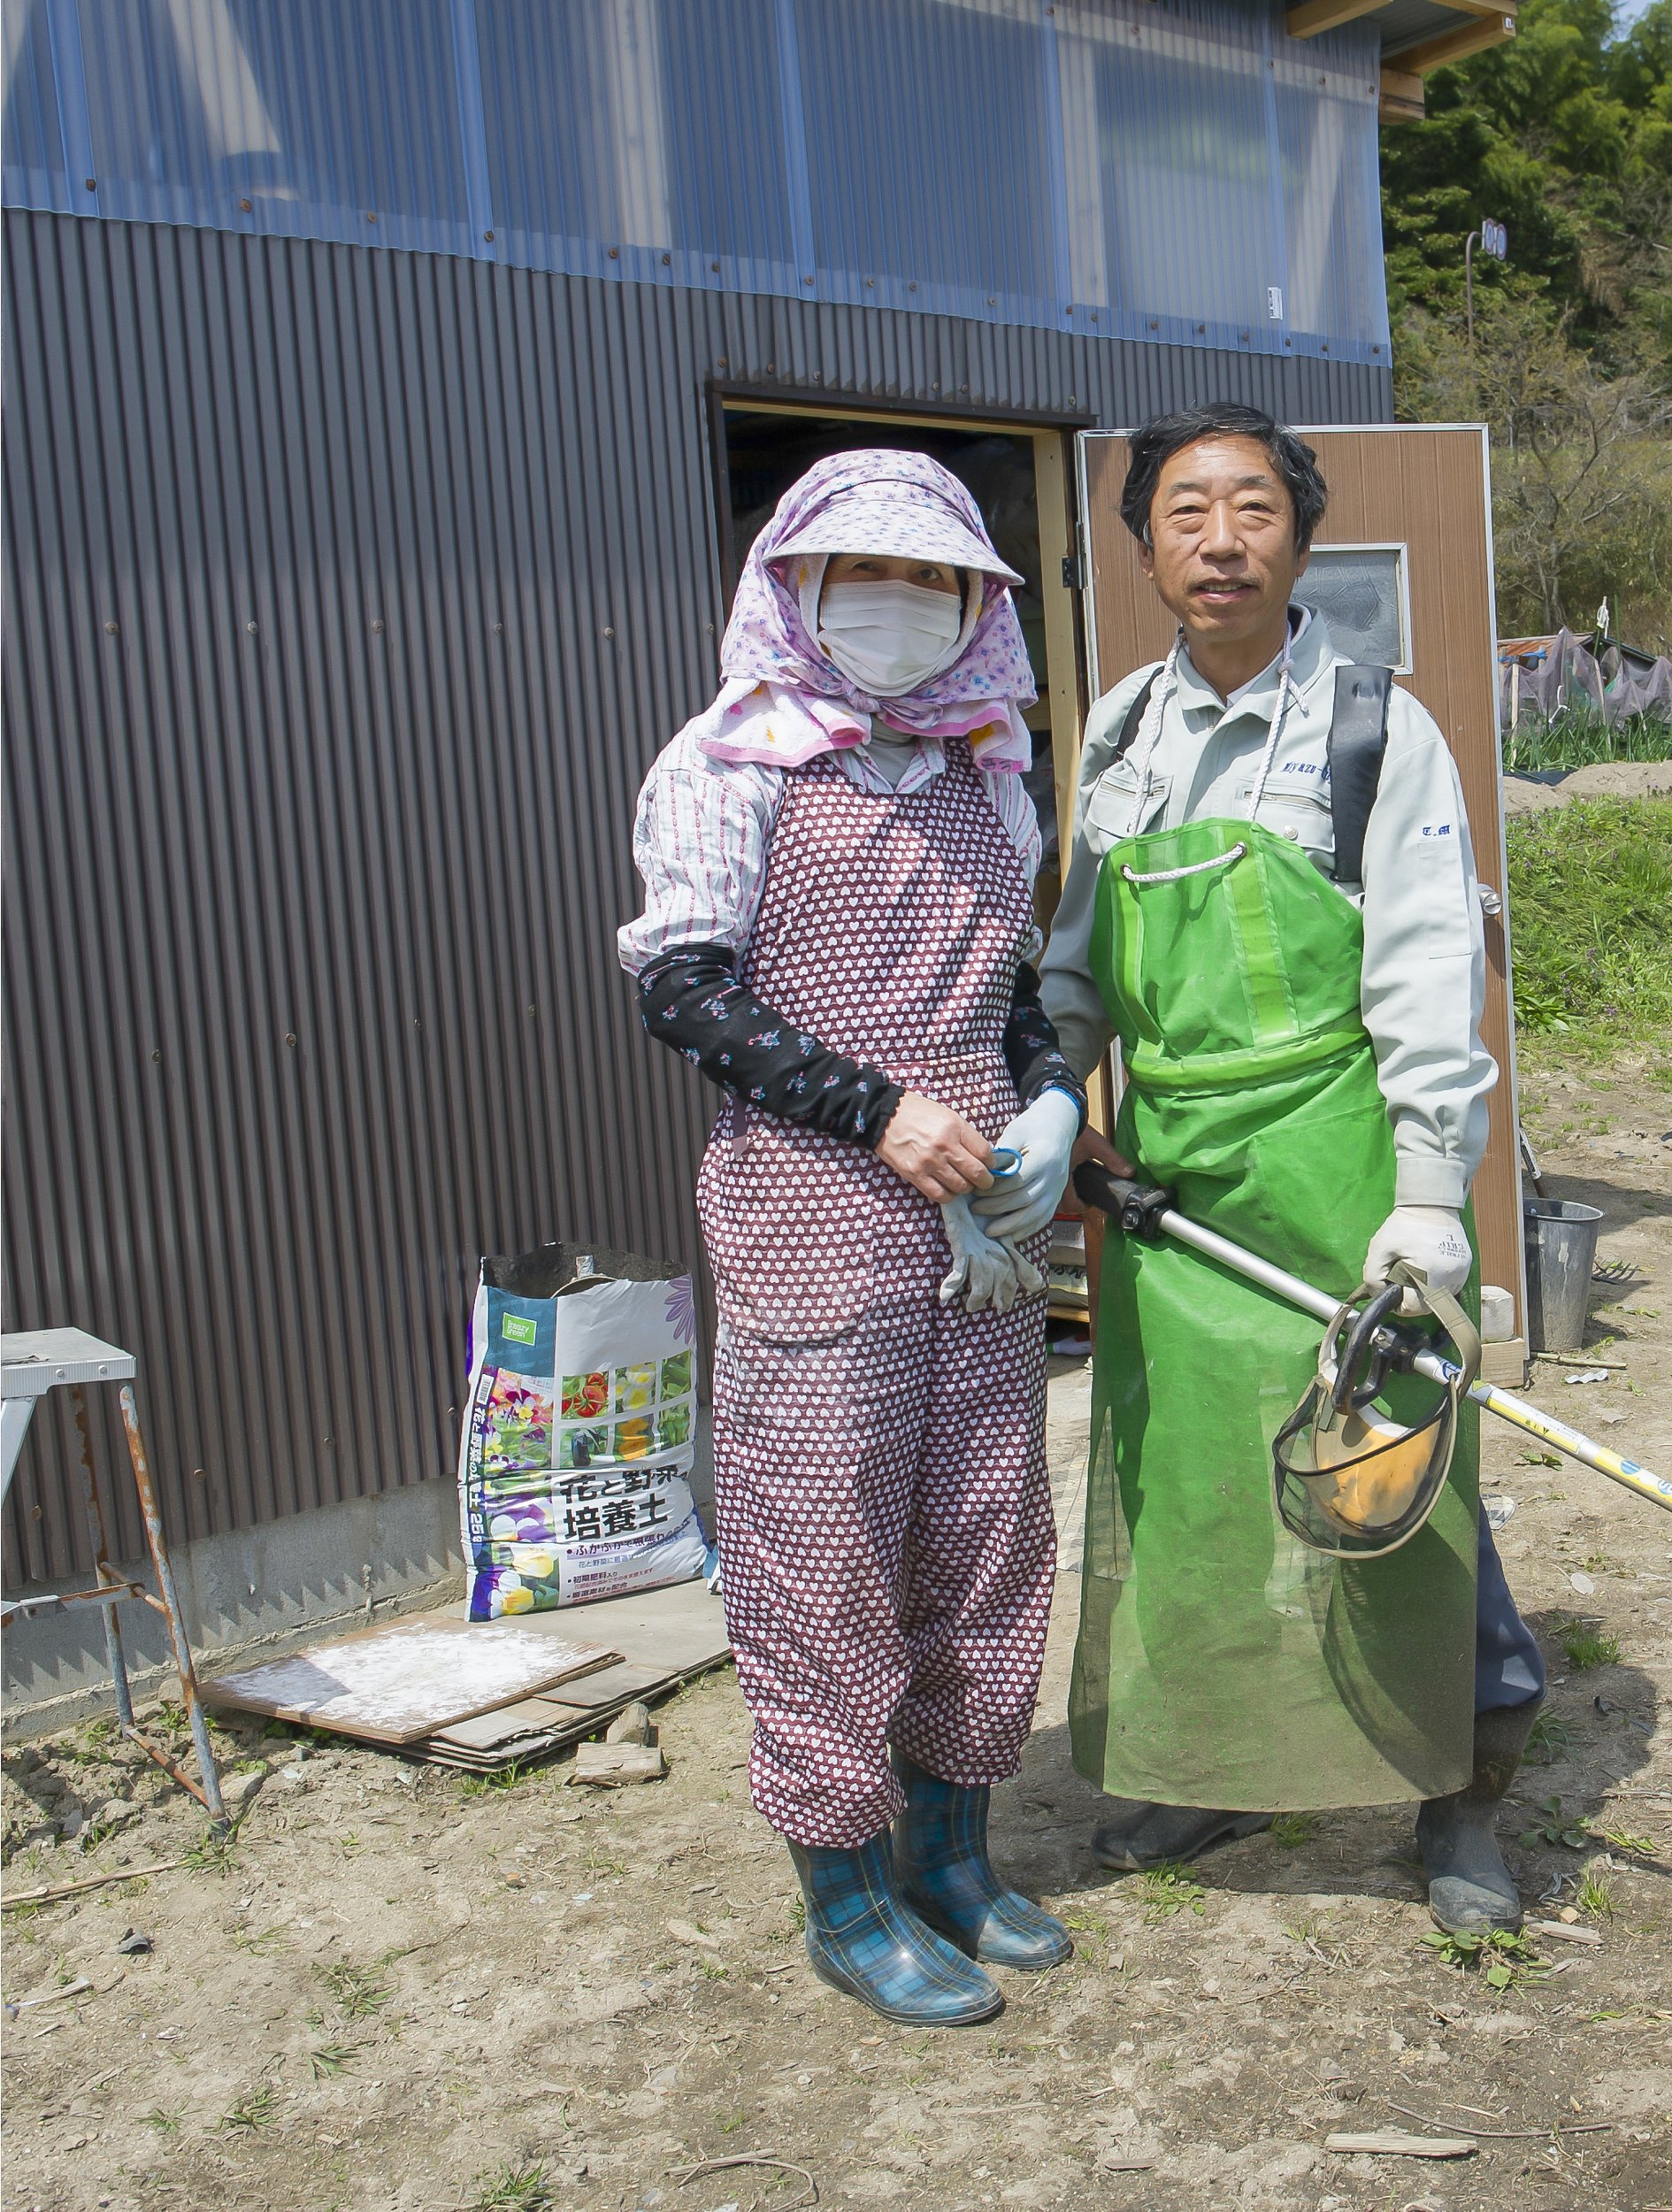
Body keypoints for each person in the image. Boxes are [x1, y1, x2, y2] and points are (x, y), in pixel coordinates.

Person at [1039, 403, 1547, 1935]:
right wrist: (1053, 1105)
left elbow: (1423, 973)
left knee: (1393, 1481)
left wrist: (1424, 1194)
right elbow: (1075, 968)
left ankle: (1458, 1800)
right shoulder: (1121, 732)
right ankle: (1219, 1760)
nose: (1219, 539)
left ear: (1301, 538)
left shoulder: (1375, 730)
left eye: (1251, 508)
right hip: (1175, 1194)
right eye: (1184, 511)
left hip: (1339, 1173)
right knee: (1194, 1492)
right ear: (1142, 549)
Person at [618, 449, 1085, 2026]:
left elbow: (1014, 994)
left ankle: (955, 1851)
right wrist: (878, 1110)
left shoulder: (986, 766)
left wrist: (1049, 1103)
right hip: (819, 1218)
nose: (900, 607)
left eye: (936, 581)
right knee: (819, 1559)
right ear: (796, 587)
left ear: (976, 607)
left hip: (985, 1235)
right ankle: (848, 1888)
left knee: (984, 1538)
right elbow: (685, 987)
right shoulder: (729, 760)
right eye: (863, 576)